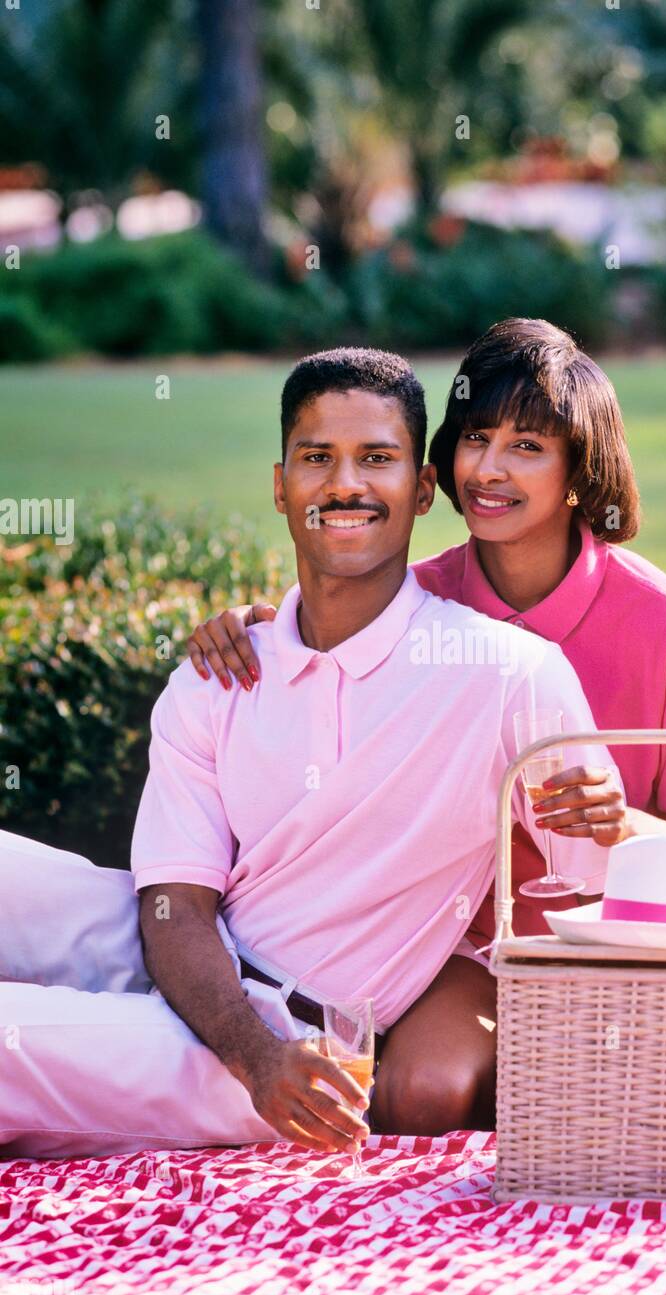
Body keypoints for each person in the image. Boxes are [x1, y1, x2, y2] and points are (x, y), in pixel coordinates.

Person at [0, 347, 623, 1159]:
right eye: (317, 458)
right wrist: (248, 1051)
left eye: (377, 459)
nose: (345, 484)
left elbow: (598, 885)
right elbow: (175, 907)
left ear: (422, 490)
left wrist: (265, 1064)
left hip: (293, 1049)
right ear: (280, 483)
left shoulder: (512, 676)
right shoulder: (222, 671)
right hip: (203, 982)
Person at [186, 320, 666, 1120]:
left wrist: (624, 825)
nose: (488, 470)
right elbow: (312, 637)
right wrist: (243, 628)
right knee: (422, 1091)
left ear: (580, 469)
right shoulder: (416, 599)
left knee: (597, 1103)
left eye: (527, 446)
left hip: (615, 942)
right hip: (449, 943)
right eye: (475, 438)